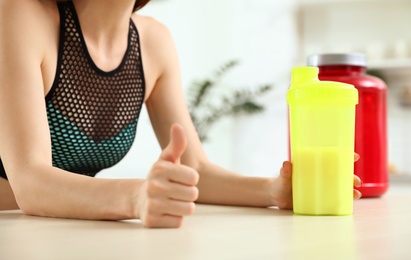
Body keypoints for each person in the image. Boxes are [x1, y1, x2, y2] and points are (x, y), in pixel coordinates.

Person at [0, 0, 362, 227]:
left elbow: (197, 171)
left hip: (53, 231)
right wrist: (136, 197)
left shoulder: (154, 42)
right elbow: (30, 182)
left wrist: (273, 190)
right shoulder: (20, 14)